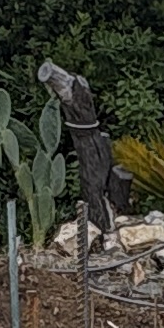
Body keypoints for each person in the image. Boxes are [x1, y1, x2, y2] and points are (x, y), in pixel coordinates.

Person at [38, 60, 119, 239]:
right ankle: (99, 228)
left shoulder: (81, 101)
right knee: (91, 186)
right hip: (85, 136)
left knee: (96, 185)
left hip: (90, 138)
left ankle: (103, 227)